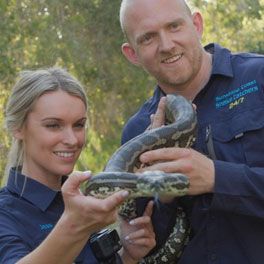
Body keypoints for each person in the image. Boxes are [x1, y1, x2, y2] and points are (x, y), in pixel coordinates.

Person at [119, 0, 264, 263]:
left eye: (174, 26)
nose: (166, 45)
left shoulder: (258, 77)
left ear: (197, 25)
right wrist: (164, 195)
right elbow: (150, 247)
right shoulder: (136, 133)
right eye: (148, 38)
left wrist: (216, 178)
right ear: (132, 54)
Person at [0, 67, 156, 264]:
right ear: (17, 128)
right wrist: (75, 226)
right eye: (53, 125)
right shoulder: (6, 215)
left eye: (78, 125)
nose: (72, 140)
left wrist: (129, 256)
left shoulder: (83, 202)